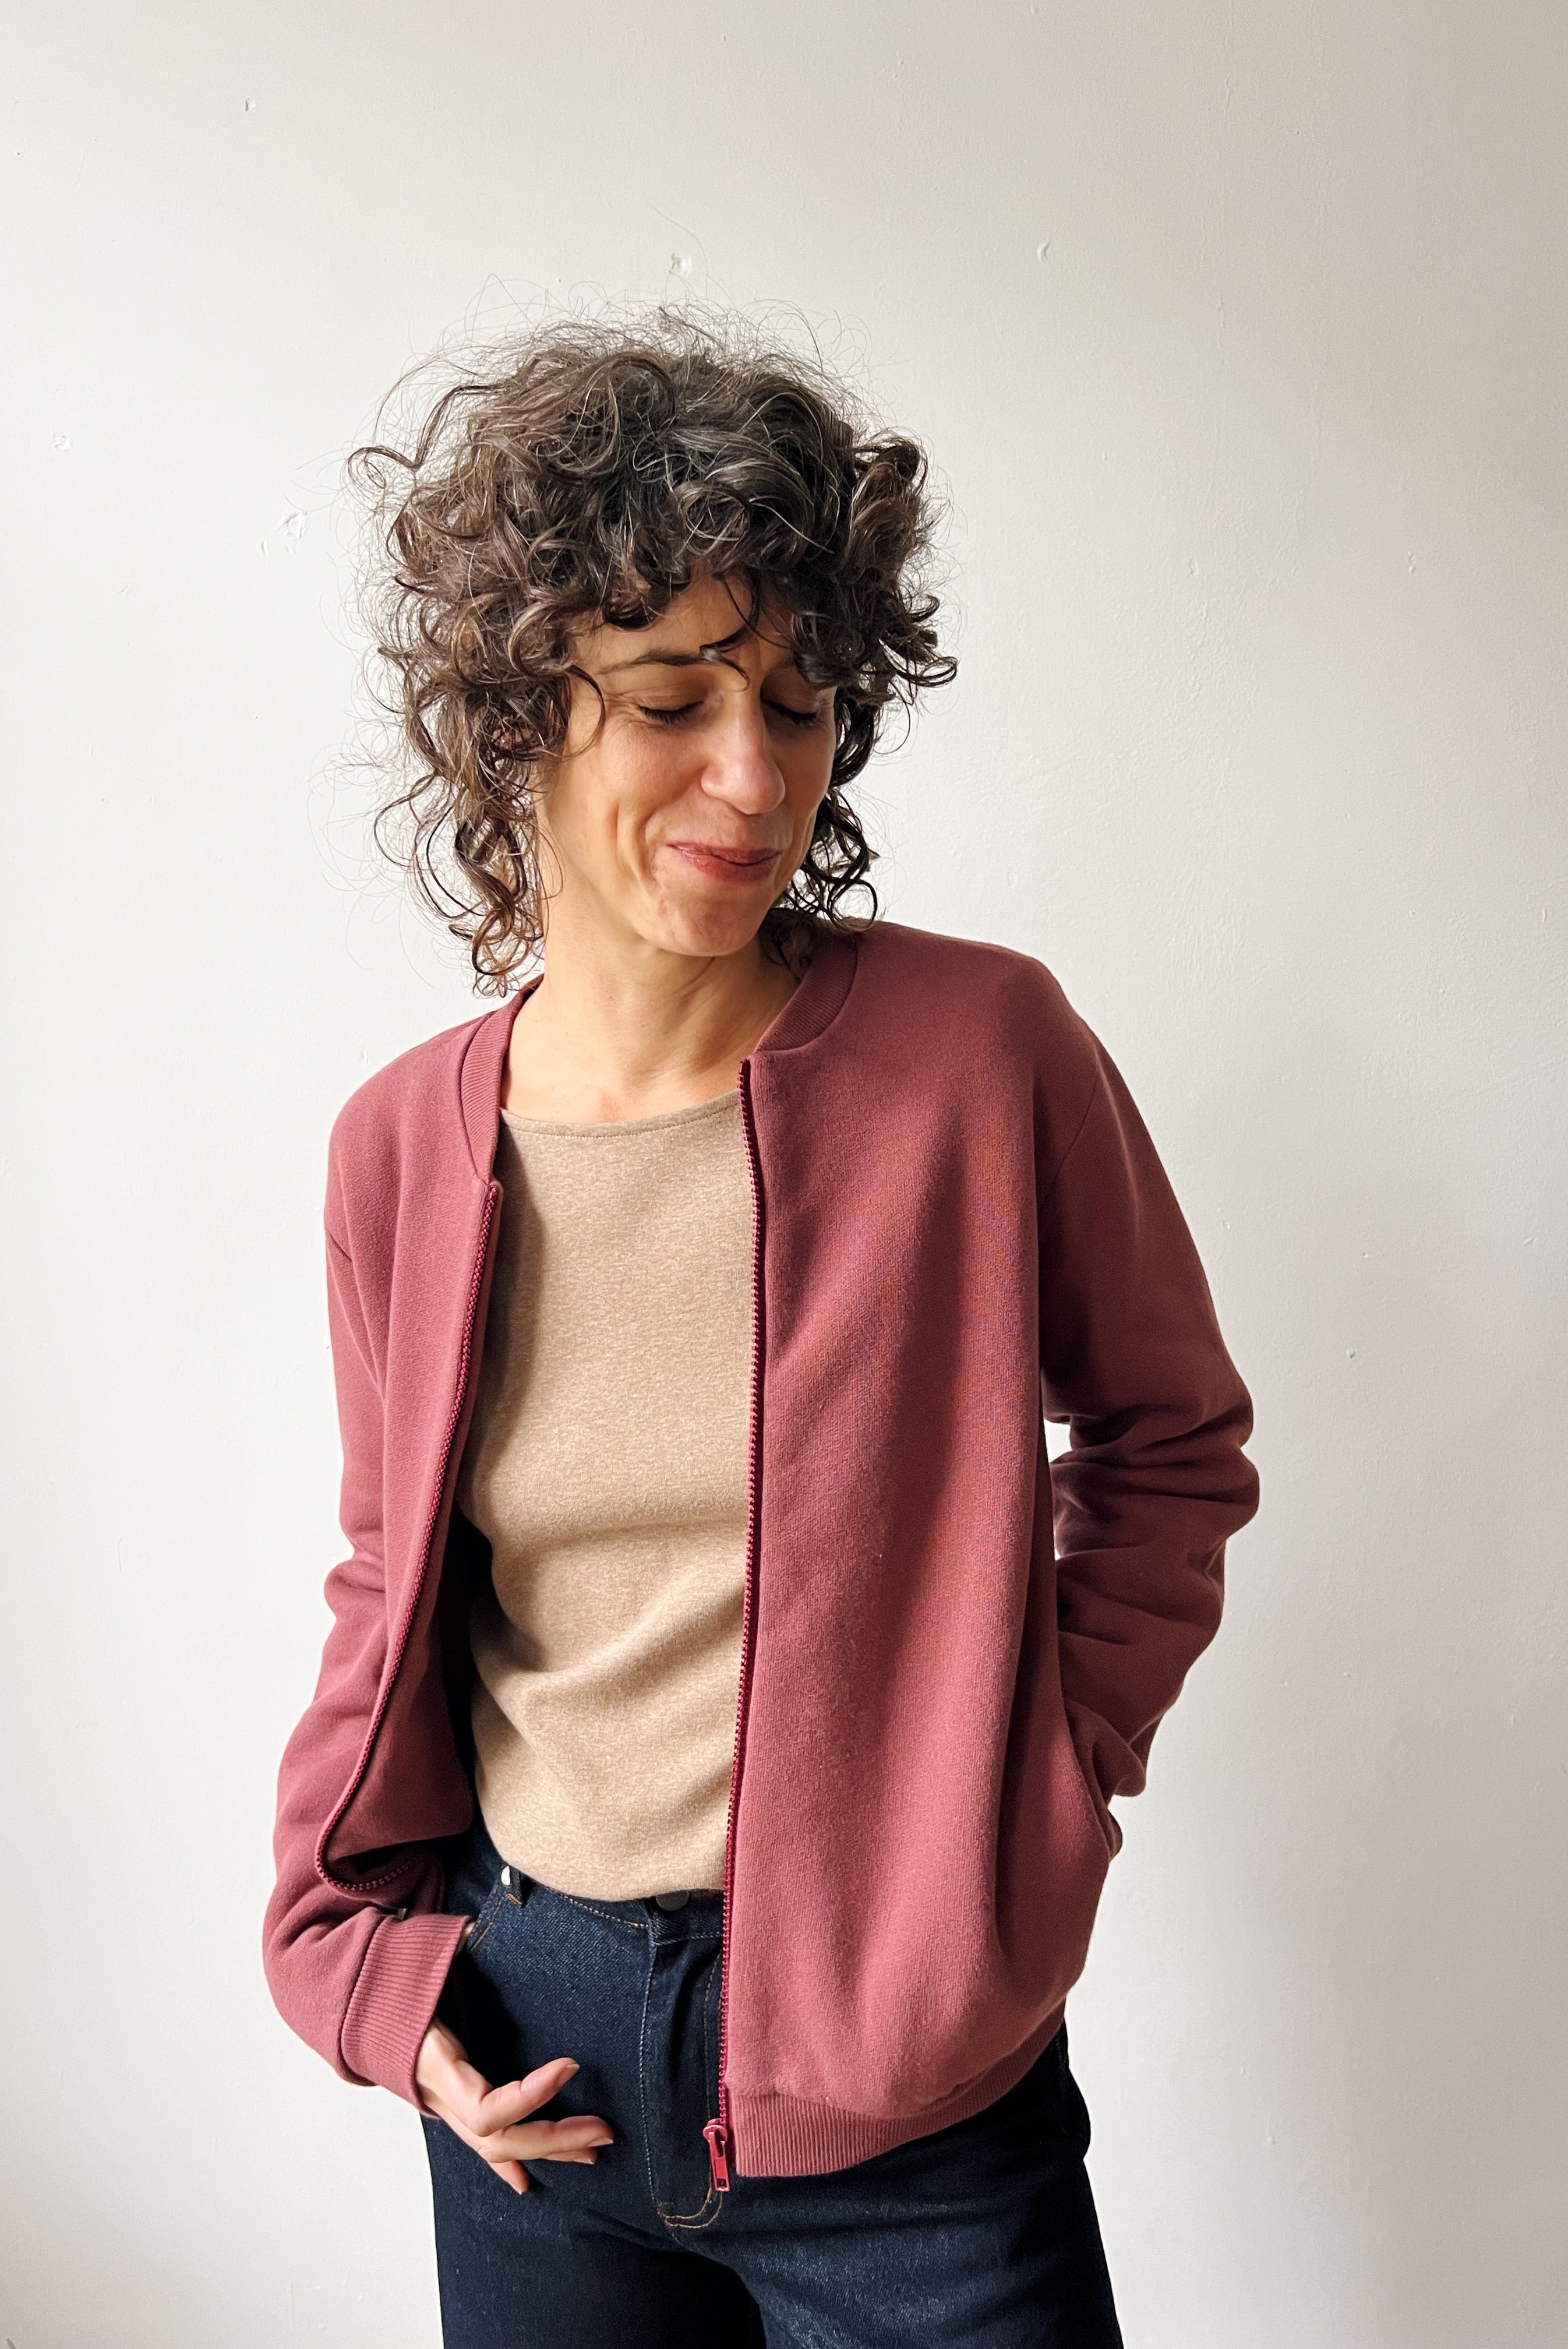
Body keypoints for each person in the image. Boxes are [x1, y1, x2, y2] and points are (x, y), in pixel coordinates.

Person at [263, 314, 1259, 2348]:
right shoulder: (399, 1148)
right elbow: (393, 1589)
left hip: (907, 2080)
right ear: (516, 709)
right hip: (529, 2064)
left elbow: (1168, 1443)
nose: (755, 771)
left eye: (800, 703)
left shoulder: (979, 1056)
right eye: (671, 696)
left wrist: (1042, 1781)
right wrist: (382, 1973)